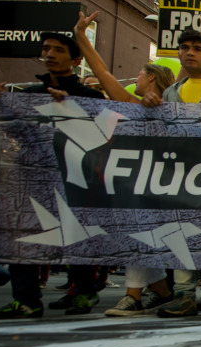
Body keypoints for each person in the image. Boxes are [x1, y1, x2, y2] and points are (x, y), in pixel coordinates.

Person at [0, 32, 105, 319]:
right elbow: (14, 135)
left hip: (74, 178)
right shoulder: (28, 96)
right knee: (22, 234)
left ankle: (85, 290)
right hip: (31, 177)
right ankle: (26, 299)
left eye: (58, 50)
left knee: (76, 236)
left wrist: (69, 109)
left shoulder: (90, 96)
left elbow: (102, 135)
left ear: (75, 60)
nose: (50, 54)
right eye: (46, 49)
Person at [69, 11, 179, 317]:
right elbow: (102, 71)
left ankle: (133, 296)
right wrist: (81, 36)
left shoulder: (174, 110)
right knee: (138, 236)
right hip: (131, 181)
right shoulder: (129, 105)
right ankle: (162, 292)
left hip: (158, 186)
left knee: (138, 232)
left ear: (152, 78)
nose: (136, 80)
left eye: (141, 75)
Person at [143, 28, 201, 317]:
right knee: (179, 230)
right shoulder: (170, 93)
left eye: (197, 48)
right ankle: (184, 293)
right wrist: (150, 107)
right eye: (184, 48)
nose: (189, 53)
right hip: (179, 174)